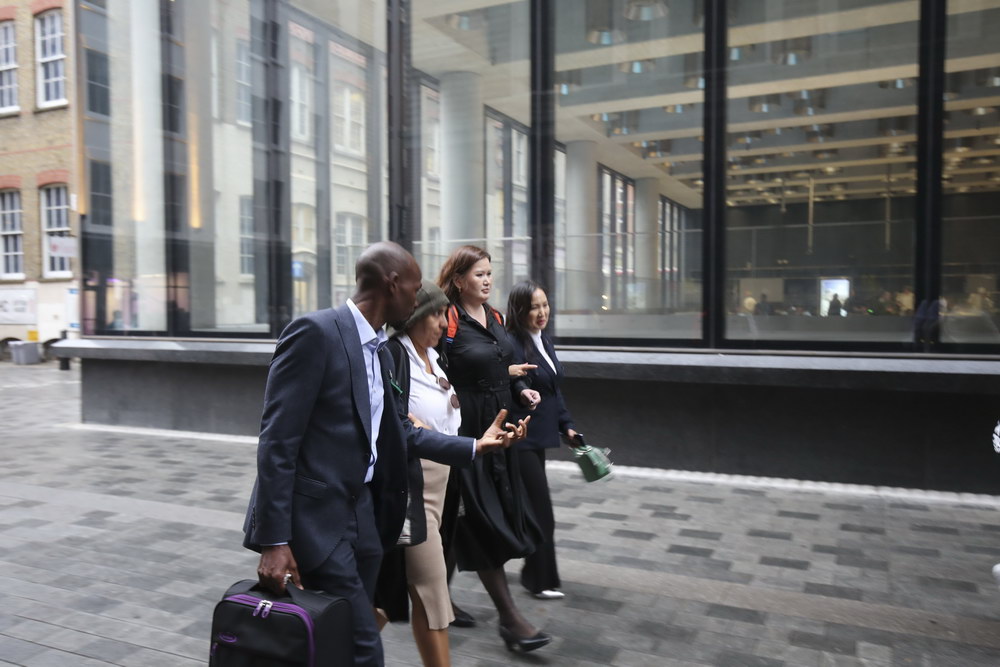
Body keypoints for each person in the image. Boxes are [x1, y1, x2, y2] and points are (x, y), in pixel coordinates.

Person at [242, 241, 527, 667]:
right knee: (364, 647)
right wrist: (274, 540)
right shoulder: (316, 333)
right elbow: (277, 442)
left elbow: (402, 433)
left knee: (334, 641)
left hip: (366, 521)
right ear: (392, 284)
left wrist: (474, 445)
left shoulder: (379, 351)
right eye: (414, 287)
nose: (418, 298)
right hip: (319, 524)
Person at [436, 245, 551, 653]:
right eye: (479, 274)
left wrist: (521, 390)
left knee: (459, 522)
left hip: (499, 433)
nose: (487, 280)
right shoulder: (447, 321)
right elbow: (431, 370)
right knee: (479, 519)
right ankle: (510, 620)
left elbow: (501, 368)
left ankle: (436, 598)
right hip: (466, 432)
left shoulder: (496, 318)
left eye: (489, 273)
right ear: (458, 280)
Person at [373, 280, 468, 667]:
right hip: (413, 488)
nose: (445, 323)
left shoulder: (432, 356)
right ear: (416, 316)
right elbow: (391, 419)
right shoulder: (394, 355)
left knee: (388, 592)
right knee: (431, 588)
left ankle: (336, 649)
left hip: (441, 487)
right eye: (438, 314)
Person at [506, 280, 578, 601]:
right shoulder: (512, 343)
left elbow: (553, 392)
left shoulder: (544, 340)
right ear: (519, 310)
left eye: (545, 305)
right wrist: (522, 391)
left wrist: (568, 427)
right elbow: (511, 383)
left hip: (539, 438)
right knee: (540, 512)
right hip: (520, 438)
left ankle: (531, 572)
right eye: (534, 307)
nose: (541, 312)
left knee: (532, 510)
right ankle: (538, 580)